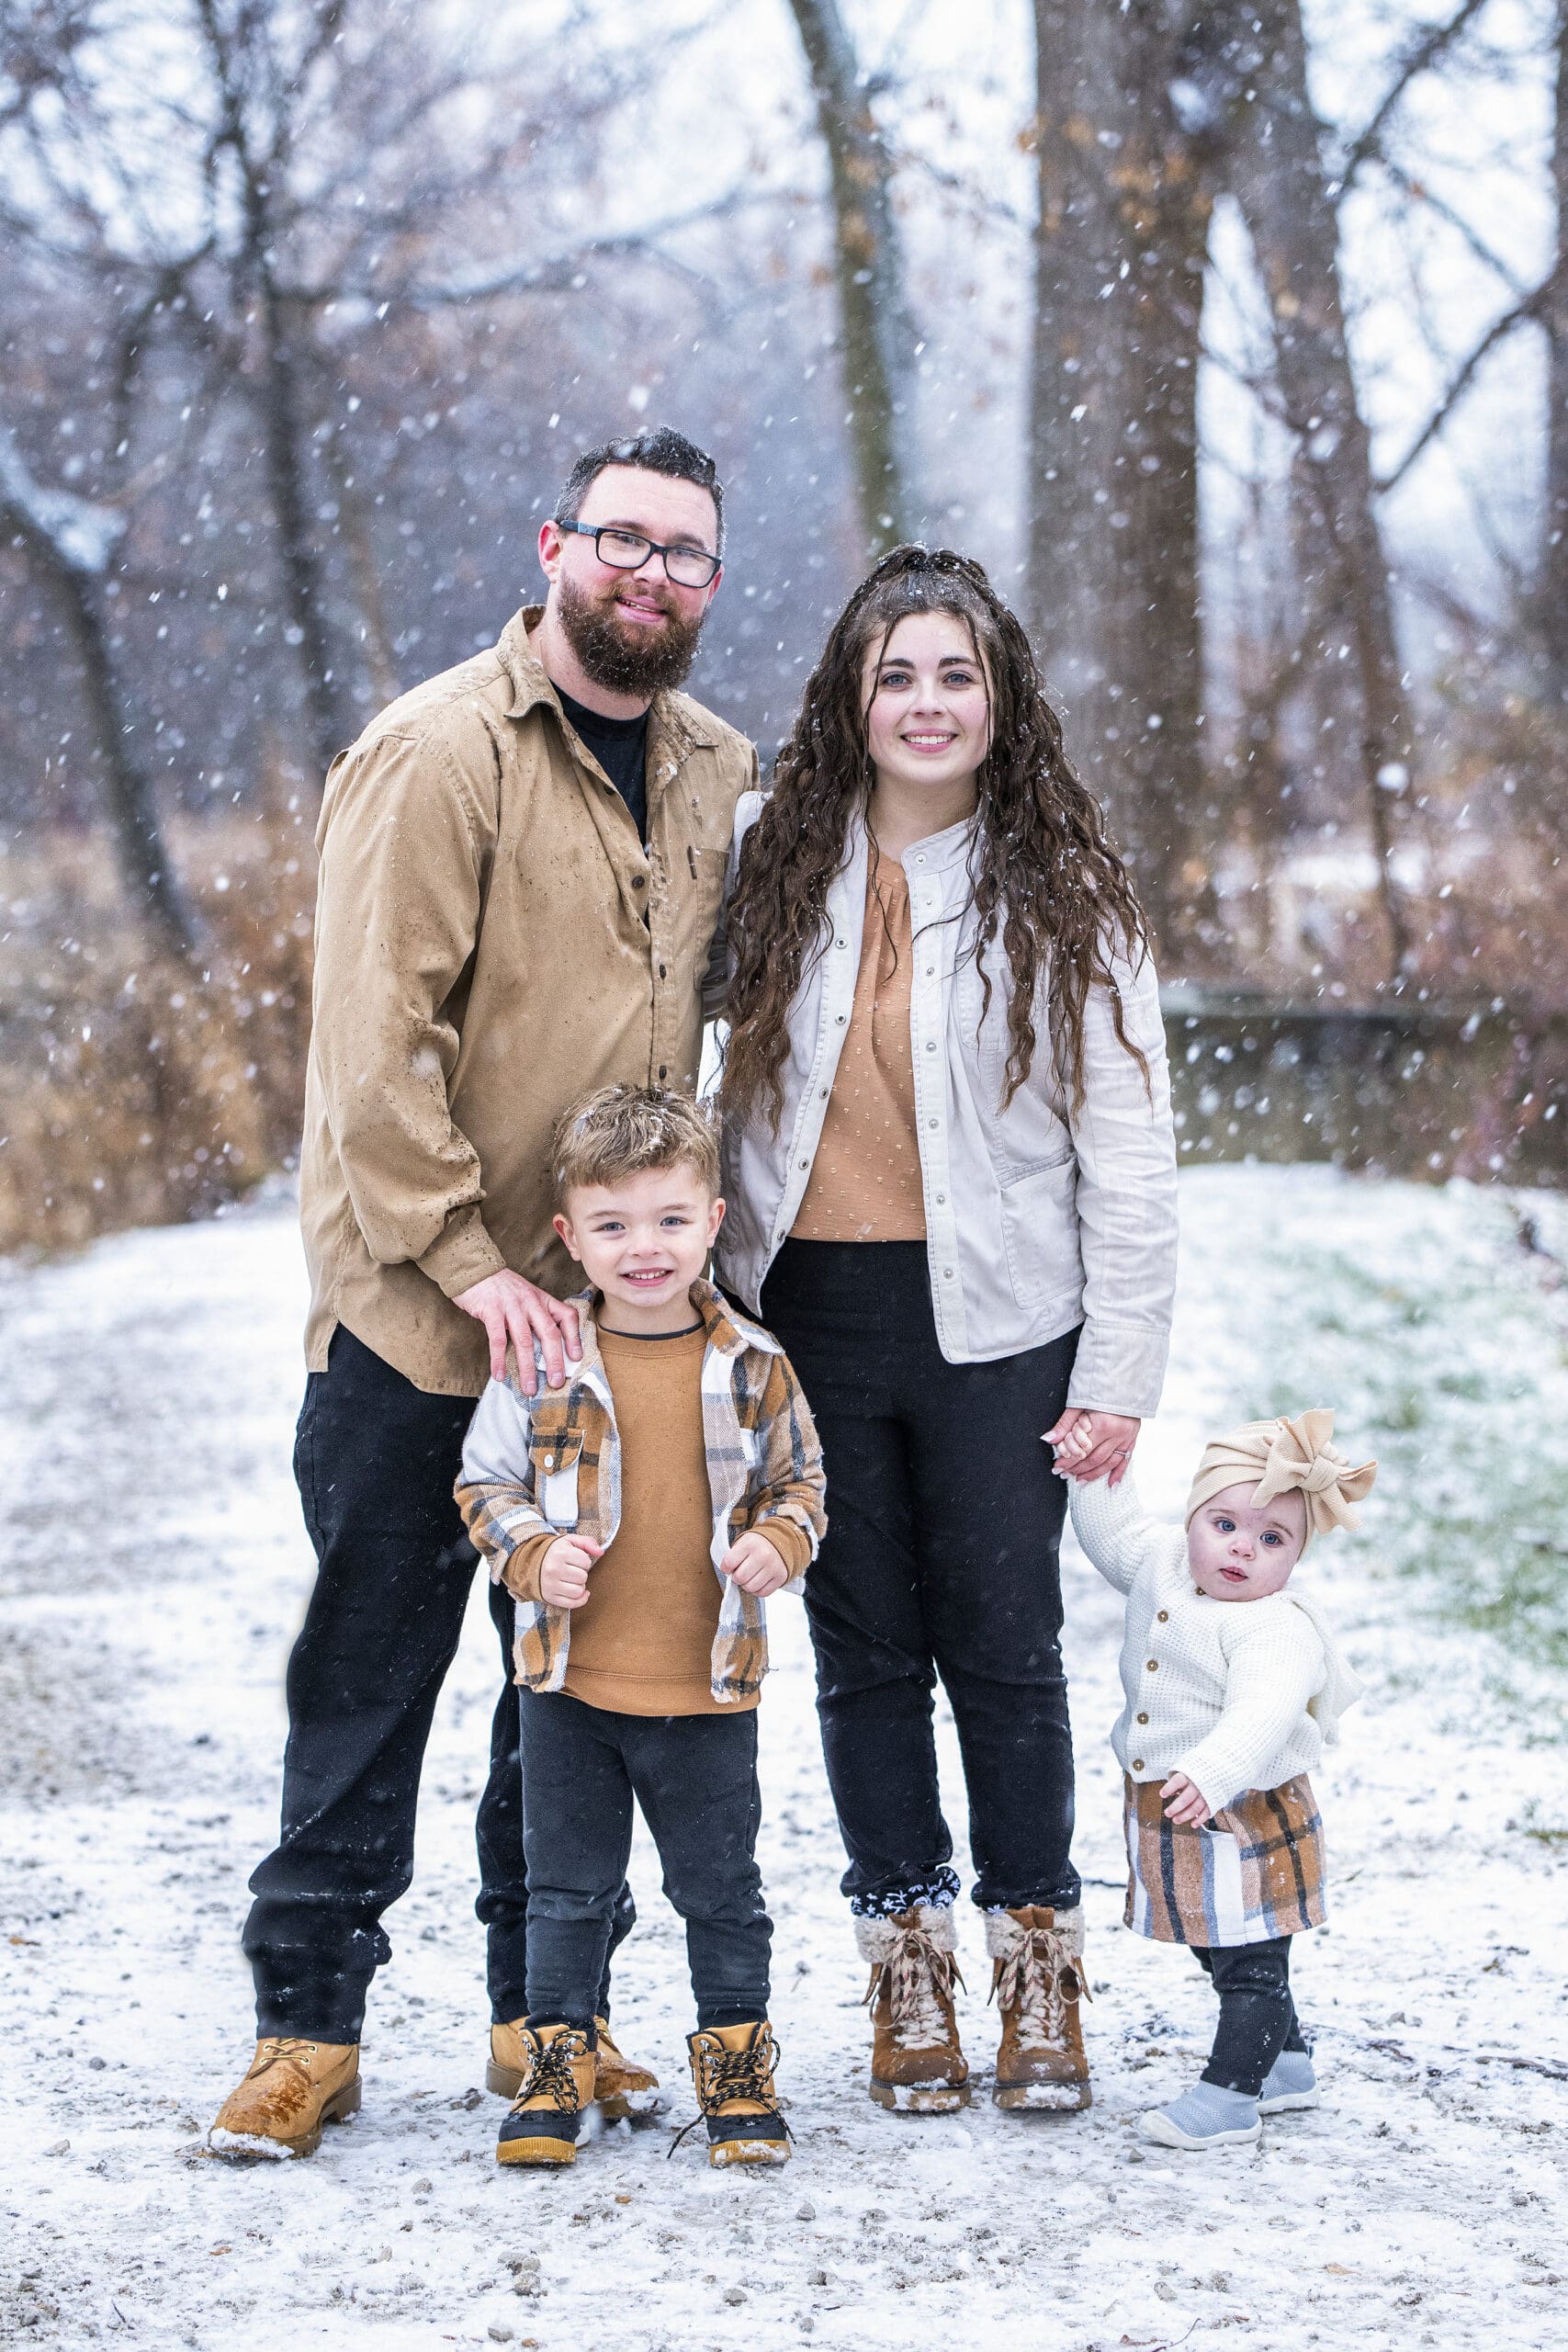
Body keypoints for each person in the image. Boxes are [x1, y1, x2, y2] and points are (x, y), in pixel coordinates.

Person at [209, 426, 757, 2159]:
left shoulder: (714, 770)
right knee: (371, 1679)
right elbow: (372, 1053)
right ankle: (307, 2025)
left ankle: (550, 2015)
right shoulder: (436, 751)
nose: (648, 576)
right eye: (622, 541)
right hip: (421, 1321)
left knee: (572, 1683)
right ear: (552, 547)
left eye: (684, 554)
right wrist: (468, 1263)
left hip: (608, 1331)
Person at [716, 544, 1179, 2117]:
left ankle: (1036, 1957)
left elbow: (1129, 1154)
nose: (926, 702)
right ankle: (903, 1956)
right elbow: (698, 1079)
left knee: (1004, 1648)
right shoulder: (770, 858)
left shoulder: (1069, 893)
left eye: (955, 674)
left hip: (1001, 1326)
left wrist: (1116, 1371)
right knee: (860, 1655)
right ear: (852, 699)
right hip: (811, 1316)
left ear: (1001, 699)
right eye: (895, 674)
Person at [456, 1084, 825, 2170]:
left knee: (722, 1892)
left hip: (708, 1687)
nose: (644, 1247)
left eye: (670, 1219)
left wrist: (778, 1542)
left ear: (713, 1221)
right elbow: (486, 1483)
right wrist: (532, 1552)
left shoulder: (755, 1365)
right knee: (564, 1892)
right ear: (571, 1236)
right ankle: (556, 2061)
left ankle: (738, 2064)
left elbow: (801, 1483)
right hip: (569, 1687)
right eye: (613, 1226)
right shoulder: (543, 1362)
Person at [1064, 1408, 1375, 2149]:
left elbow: (1263, 1711)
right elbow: (1110, 1536)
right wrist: (1090, 1468)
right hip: (1178, 1800)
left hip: (1243, 1807)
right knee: (1216, 1941)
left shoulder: (1273, 1624)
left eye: (1273, 1540)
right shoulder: (1165, 1563)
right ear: (1193, 1519)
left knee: (1249, 1962)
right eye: (1223, 1525)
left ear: (1296, 1557)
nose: (1242, 1549)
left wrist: (1212, 1769)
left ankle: (1230, 2095)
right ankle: (1287, 2065)